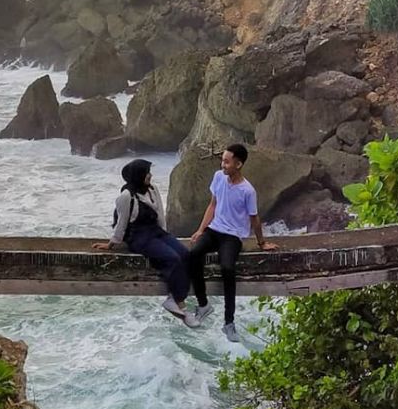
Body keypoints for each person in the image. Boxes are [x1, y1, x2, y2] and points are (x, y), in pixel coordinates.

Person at [188, 143, 277, 342]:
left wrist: (261, 243)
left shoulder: (248, 191)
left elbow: (254, 219)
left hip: (233, 236)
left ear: (238, 164)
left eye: (227, 162)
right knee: (193, 254)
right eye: (222, 161)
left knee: (227, 267)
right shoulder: (219, 177)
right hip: (214, 230)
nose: (223, 165)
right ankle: (203, 305)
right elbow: (212, 205)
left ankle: (229, 322)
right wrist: (201, 230)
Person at [93, 159, 195, 326]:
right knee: (172, 258)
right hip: (139, 237)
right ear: (138, 175)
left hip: (156, 232)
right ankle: (178, 302)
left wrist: (166, 237)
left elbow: (160, 214)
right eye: (147, 172)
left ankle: (174, 297)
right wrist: (112, 243)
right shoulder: (126, 197)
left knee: (184, 254)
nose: (150, 175)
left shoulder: (152, 190)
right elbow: (122, 223)